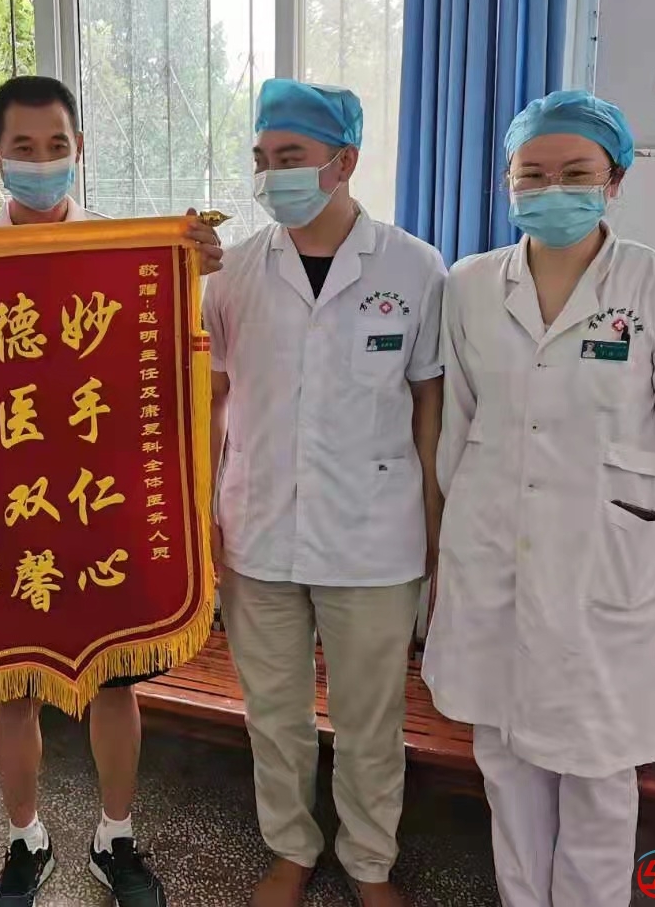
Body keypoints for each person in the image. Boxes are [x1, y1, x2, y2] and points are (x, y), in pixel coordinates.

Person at [0, 74, 223, 907]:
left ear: (79, 148)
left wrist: (191, 268)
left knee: (116, 684)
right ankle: (26, 841)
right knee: (14, 688)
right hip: (11, 507)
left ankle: (115, 836)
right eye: (23, 147)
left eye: (57, 145)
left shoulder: (124, 248)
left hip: (98, 500)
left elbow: (167, 368)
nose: (42, 160)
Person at [421, 90, 655, 907]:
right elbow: (459, 425)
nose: (551, 188)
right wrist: (449, 544)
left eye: (575, 172)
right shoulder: (470, 285)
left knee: (597, 771)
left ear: (614, 179)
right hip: (492, 550)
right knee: (506, 759)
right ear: (507, 181)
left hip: (610, 559)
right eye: (532, 173)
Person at [203, 79, 446, 907]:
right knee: (274, 713)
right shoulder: (233, 272)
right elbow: (212, 397)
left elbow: (428, 403)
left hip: (374, 536)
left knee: (371, 718)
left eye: (291, 156)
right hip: (259, 527)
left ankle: (370, 862)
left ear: (344, 162)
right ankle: (291, 849)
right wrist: (203, 507)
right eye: (262, 158)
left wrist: (435, 527)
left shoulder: (414, 268)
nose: (271, 175)